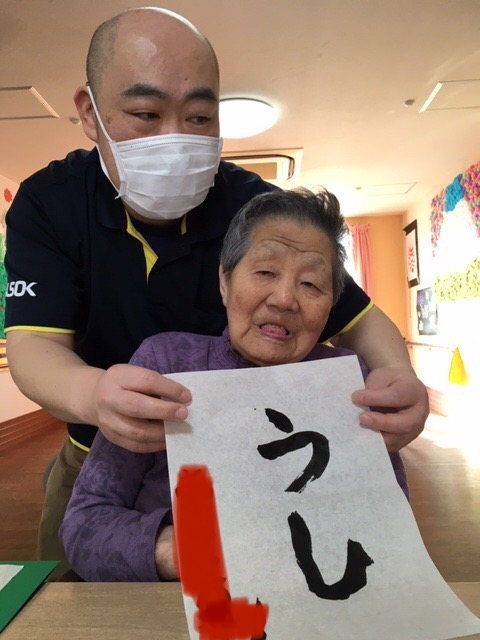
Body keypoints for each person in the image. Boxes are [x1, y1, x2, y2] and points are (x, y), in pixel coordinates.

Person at [4, 7, 427, 575]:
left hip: (253, 459)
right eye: (146, 114)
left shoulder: (255, 209)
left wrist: (398, 383)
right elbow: (33, 345)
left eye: (200, 117)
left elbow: (359, 317)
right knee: (72, 595)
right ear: (89, 111)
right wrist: (95, 395)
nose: (176, 138)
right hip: (103, 457)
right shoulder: (49, 203)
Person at [59, 187, 409, 582]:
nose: (284, 299)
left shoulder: (348, 382)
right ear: (225, 281)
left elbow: (390, 520)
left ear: (331, 304)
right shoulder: (166, 364)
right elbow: (84, 525)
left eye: (311, 284)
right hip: (176, 601)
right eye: (265, 272)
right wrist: (175, 550)